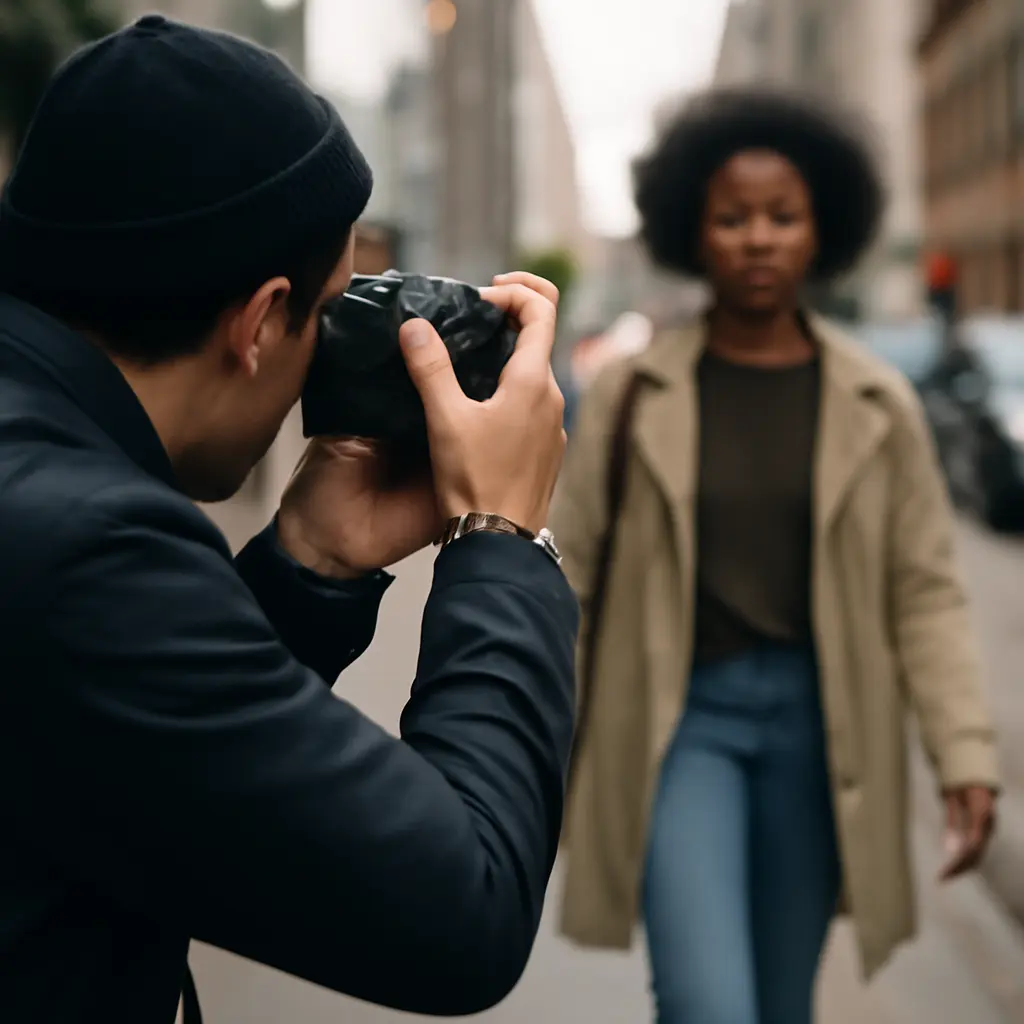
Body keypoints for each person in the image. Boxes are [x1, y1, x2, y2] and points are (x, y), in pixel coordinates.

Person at [0, 16, 575, 1023]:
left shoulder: (46, 489)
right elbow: (461, 910)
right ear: (262, 320)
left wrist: (310, 564)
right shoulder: (82, 548)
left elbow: (148, 754)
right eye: (328, 311)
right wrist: (501, 537)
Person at [552, 86, 999, 1024]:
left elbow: (924, 591)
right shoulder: (634, 393)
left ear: (819, 229)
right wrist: (535, 738)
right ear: (693, 230)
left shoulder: (878, 403)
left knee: (783, 1006)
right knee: (709, 1004)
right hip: (681, 727)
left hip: (823, 727)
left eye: (782, 216)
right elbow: (573, 573)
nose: (758, 237)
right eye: (733, 217)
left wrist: (963, 752)